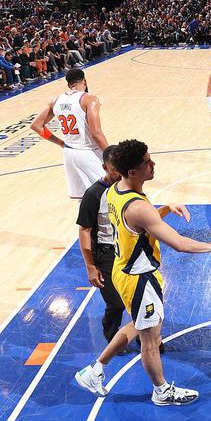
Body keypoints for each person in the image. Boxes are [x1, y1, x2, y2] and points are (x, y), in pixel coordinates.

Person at [75, 139, 211, 406]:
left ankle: (95, 370)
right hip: (139, 277)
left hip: (124, 270)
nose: (153, 164)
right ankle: (161, 391)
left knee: (138, 325)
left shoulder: (116, 190)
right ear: (132, 171)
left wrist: (163, 210)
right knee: (151, 341)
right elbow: (180, 243)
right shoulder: (138, 206)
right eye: (146, 162)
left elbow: (139, 226)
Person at [30, 68, 109, 198]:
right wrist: (110, 155)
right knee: (108, 194)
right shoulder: (90, 99)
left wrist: (61, 143)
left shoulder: (56, 101)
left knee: (84, 199)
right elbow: (96, 133)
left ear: (68, 84)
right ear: (84, 81)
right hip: (88, 152)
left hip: (69, 153)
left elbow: (36, 126)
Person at [76, 145, 125, 343]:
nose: (120, 173)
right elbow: (84, 231)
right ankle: (111, 335)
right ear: (105, 167)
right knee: (117, 303)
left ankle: (147, 337)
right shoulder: (93, 194)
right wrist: (90, 266)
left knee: (138, 298)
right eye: (115, 169)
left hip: (128, 250)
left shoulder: (128, 187)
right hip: (106, 254)